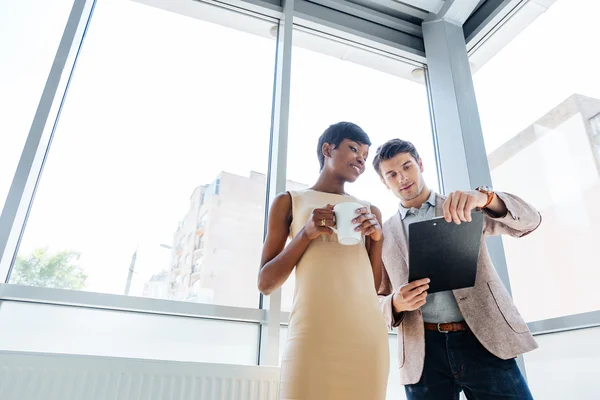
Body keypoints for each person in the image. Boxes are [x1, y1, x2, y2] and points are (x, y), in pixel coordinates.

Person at [373, 138, 541, 400]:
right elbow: (377, 299)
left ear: (420, 164)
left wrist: (486, 198)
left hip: (483, 341)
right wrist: (395, 302)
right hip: (423, 354)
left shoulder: (464, 206)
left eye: (407, 167)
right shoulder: (382, 235)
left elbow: (530, 221)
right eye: (391, 174)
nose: (402, 178)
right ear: (384, 183)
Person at [258, 122, 390, 400]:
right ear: (327, 149)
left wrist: (377, 237)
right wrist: (305, 234)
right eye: (353, 149)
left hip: (366, 337)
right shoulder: (289, 201)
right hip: (312, 336)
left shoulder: (370, 210)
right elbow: (266, 282)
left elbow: (374, 287)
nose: (361, 160)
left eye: (365, 157)